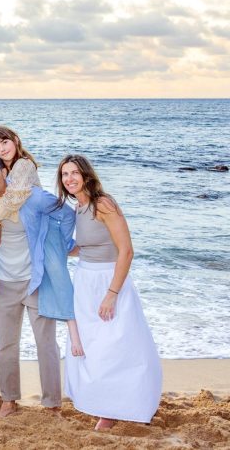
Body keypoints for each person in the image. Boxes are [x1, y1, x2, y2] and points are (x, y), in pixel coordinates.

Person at [58, 155, 161, 430]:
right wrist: (58, 249)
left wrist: (112, 293)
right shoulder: (78, 208)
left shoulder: (103, 203)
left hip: (109, 281)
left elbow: (126, 250)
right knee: (91, 348)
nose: (69, 178)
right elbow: (88, 247)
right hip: (84, 281)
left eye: (74, 173)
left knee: (116, 347)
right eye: (65, 174)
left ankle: (119, 409)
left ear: (86, 175)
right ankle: (104, 405)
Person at [0, 126, 83, 357]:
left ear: (16, 140)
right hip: (10, 230)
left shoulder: (23, 165)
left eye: (5, 142)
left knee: (57, 272)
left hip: (37, 229)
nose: (1, 149)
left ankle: (73, 327)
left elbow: (13, 197)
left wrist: (63, 242)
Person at [0, 152, 75, 418]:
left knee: (46, 343)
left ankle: (52, 403)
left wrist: (60, 248)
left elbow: (67, 213)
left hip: (35, 281)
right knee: (7, 344)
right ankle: (9, 399)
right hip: (3, 284)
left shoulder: (31, 196)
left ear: (5, 173)